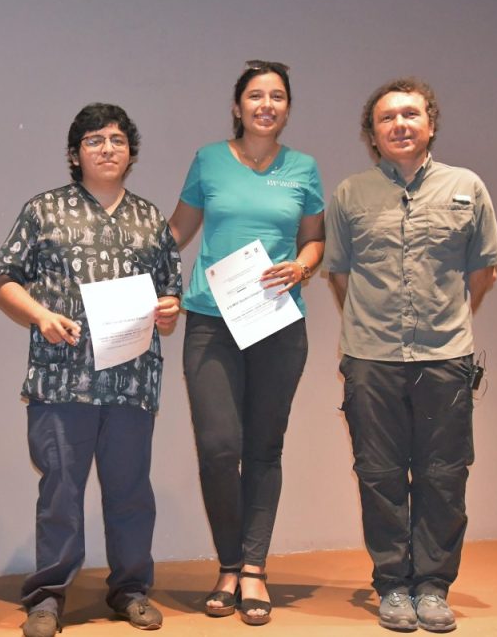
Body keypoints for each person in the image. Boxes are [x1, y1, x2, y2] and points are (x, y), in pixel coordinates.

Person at [0, 103, 181, 636]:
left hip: (131, 381)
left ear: (131, 152)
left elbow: (170, 294)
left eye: (117, 140)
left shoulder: (150, 219)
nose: (107, 149)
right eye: (94, 140)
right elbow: (3, 280)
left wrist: (169, 311)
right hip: (61, 379)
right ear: (75, 154)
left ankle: (131, 591)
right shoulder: (44, 210)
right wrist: (40, 315)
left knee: (131, 492)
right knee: (60, 493)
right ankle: (47, 598)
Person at [325, 77, 497, 633]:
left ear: (430, 124)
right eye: (387, 118)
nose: (399, 125)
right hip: (371, 359)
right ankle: (392, 585)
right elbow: (339, 274)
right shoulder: (350, 194)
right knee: (379, 474)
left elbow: (485, 270)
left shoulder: (467, 187)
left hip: (445, 358)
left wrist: (450, 322)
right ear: (371, 134)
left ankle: (432, 587)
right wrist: (370, 326)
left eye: (410, 114)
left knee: (443, 476)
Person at [168, 60, 325, 626]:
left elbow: (314, 242)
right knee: (217, 446)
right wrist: (130, 263)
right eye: (256, 96)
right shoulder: (209, 159)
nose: (266, 105)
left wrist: (301, 268)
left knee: (263, 447)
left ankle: (251, 568)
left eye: (277, 96)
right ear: (238, 107)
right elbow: (176, 232)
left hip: (276, 323)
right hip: (211, 321)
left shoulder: (304, 168)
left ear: (287, 108)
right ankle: (228, 563)